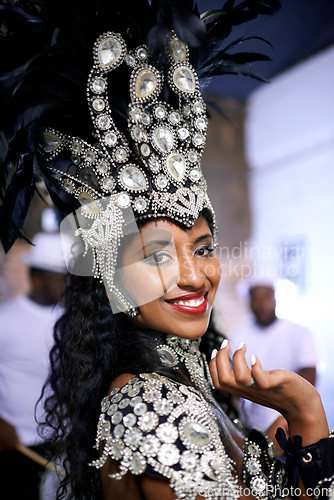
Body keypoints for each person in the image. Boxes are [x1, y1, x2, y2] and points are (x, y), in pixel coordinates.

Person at [0, 1, 333, 500]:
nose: (195, 276)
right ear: (109, 278)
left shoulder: (182, 380)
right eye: (156, 255)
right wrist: (307, 412)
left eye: (202, 248)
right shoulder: (152, 404)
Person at [0, 232, 66, 499]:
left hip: (65, 443)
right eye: (61, 276)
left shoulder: (75, 321)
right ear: (37, 276)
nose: (68, 283)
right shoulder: (6, 320)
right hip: (19, 446)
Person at [229, 276, 319, 446]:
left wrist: (284, 408)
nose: (262, 304)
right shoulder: (238, 337)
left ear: (275, 297)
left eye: (266, 297)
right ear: (249, 302)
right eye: (256, 298)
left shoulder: (299, 332)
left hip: (294, 420)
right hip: (253, 427)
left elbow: (309, 377)